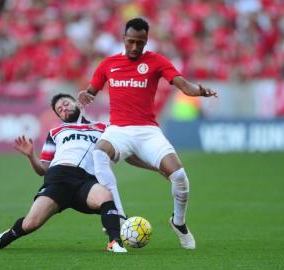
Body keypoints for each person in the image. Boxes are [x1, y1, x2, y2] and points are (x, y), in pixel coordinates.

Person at [78, 17, 218, 250]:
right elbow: (91, 90)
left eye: (140, 43)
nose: (135, 47)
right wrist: (86, 95)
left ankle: (179, 223)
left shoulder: (156, 61)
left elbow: (183, 85)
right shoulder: (108, 64)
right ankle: (118, 216)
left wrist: (199, 91)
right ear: (123, 39)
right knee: (99, 153)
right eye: (131, 41)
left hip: (147, 131)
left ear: (146, 41)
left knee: (180, 178)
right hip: (118, 130)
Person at [0, 94, 128, 253]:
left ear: (77, 104)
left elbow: (118, 148)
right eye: (60, 109)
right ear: (59, 116)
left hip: (86, 180)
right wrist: (31, 155)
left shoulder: (103, 128)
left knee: (105, 196)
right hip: (59, 178)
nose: (64, 109)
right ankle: (6, 236)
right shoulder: (56, 132)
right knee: (31, 223)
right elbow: (43, 169)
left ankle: (115, 242)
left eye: (66, 104)